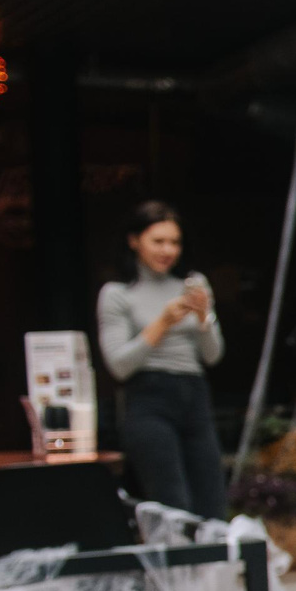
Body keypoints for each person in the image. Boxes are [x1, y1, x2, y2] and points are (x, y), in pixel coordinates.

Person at [97, 200, 226, 519]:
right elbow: (119, 366)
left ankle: (213, 554)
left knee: (212, 501)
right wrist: (163, 323)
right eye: (158, 241)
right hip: (149, 400)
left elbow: (213, 355)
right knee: (173, 504)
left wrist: (203, 317)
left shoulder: (192, 285)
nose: (168, 250)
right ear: (134, 241)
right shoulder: (118, 293)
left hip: (195, 396)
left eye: (174, 242)